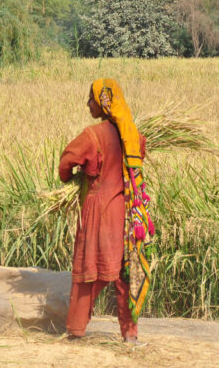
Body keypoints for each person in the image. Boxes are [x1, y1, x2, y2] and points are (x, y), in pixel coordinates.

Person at [58, 78, 154, 344]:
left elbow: (67, 159)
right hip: (129, 215)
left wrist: (70, 178)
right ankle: (130, 336)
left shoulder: (93, 135)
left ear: (102, 102)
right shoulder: (132, 135)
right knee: (126, 274)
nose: (87, 103)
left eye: (91, 98)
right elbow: (137, 158)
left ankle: (76, 332)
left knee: (89, 271)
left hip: (100, 213)